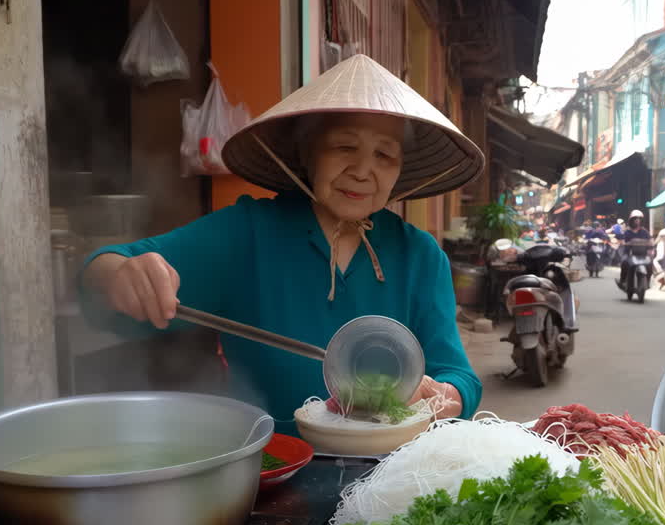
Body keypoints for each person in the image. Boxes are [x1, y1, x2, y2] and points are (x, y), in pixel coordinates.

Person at [79, 55, 485, 434]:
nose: (363, 171)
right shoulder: (247, 232)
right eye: (344, 146)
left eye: (384, 155)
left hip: (393, 472)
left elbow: (459, 377)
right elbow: (105, 275)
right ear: (307, 154)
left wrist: (439, 396)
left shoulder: (421, 256)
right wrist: (117, 275)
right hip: (272, 467)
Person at [616, 209, 652, 287]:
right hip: (629, 254)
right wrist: (625, 243)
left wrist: (651, 249)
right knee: (624, 263)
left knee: (650, 265)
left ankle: (647, 282)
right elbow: (622, 241)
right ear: (631, 220)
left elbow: (650, 242)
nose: (637, 220)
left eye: (639, 219)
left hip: (643, 255)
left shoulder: (645, 232)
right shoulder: (627, 231)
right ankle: (623, 280)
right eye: (635, 218)